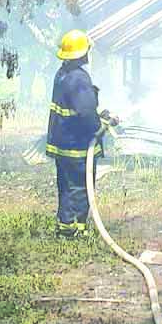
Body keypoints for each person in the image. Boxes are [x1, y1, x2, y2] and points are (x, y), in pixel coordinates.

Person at [46, 29, 117, 238]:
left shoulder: (62, 74)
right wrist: (100, 125)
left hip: (62, 143)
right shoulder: (79, 78)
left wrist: (99, 116)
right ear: (82, 53)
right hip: (76, 145)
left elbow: (77, 107)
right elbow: (85, 112)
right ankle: (76, 231)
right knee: (80, 187)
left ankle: (65, 226)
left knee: (66, 187)